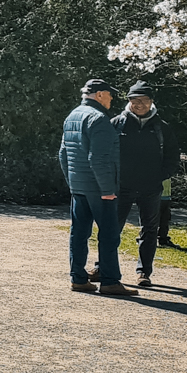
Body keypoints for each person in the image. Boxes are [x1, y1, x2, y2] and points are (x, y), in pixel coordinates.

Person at [61, 79, 134, 296]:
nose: (111, 99)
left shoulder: (72, 116)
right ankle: (110, 281)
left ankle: (78, 278)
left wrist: (72, 182)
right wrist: (107, 189)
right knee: (109, 234)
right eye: (110, 95)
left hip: (79, 186)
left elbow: (63, 154)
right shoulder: (99, 119)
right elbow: (98, 158)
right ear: (100, 95)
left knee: (79, 232)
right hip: (99, 188)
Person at [112, 81, 178, 287]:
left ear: (151, 102)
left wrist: (159, 176)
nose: (139, 104)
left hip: (150, 188)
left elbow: (172, 157)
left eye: (143, 100)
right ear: (128, 101)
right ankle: (103, 266)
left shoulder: (162, 128)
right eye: (134, 100)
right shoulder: (116, 123)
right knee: (112, 228)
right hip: (121, 187)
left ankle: (143, 272)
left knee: (150, 230)